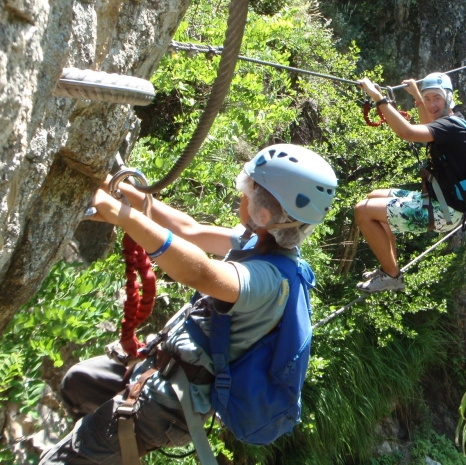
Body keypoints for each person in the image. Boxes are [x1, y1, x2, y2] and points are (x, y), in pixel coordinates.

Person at [40, 144, 337, 464]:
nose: (242, 195)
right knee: (81, 382)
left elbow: (200, 272)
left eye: (248, 190)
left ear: (263, 212)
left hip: (167, 404)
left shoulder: (267, 280)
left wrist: (121, 216)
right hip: (161, 370)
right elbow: (187, 229)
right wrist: (115, 187)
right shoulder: (256, 241)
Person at [354, 72, 466, 293]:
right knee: (374, 197)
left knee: (363, 211)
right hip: (443, 202)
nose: (431, 104)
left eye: (436, 98)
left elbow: (407, 132)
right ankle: (389, 266)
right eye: (428, 99)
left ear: (448, 97)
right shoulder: (453, 123)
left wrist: (378, 98)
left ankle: (392, 275)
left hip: (443, 212)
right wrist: (418, 96)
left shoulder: (451, 127)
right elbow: (429, 124)